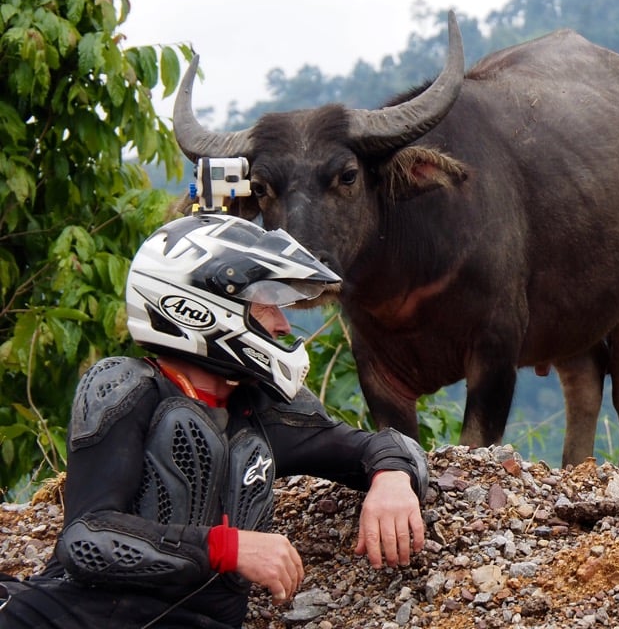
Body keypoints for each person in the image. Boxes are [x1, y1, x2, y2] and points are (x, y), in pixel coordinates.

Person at [0, 213, 430, 628]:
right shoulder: (127, 388)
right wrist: (226, 548)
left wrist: (392, 475)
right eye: (266, 307)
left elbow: (373, 446)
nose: (283, 325)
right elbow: (87, 537)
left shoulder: (261, 412)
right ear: (198, 308)